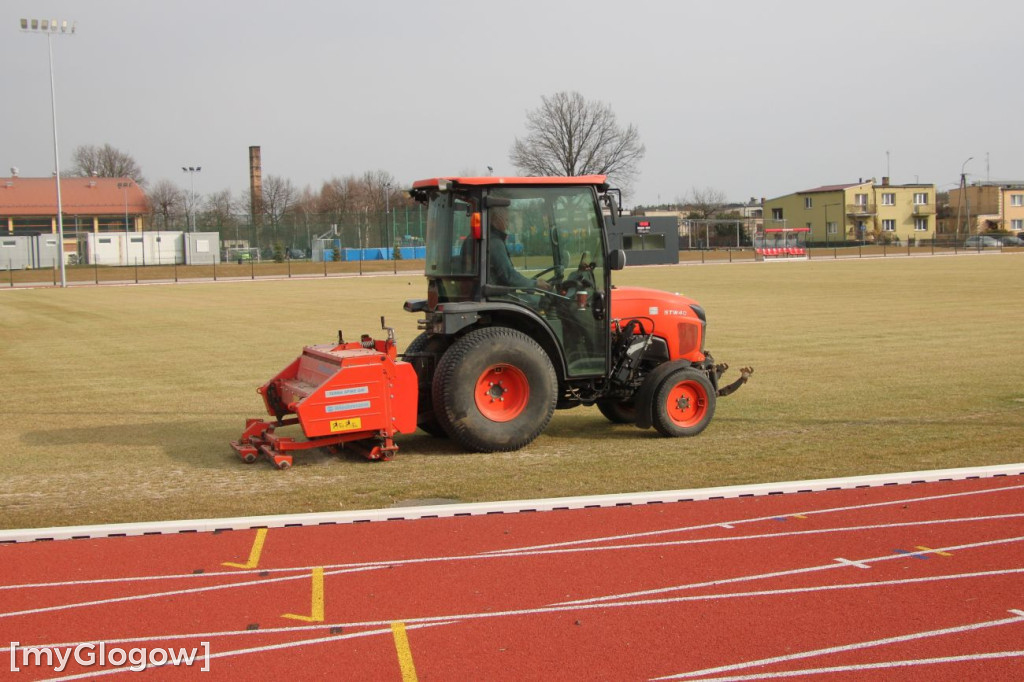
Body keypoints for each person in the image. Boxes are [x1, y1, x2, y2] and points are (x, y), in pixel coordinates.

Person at [488, 208, 552, 291]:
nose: (508, 224)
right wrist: (535, 284)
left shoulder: (488, 239)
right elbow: (509, 275)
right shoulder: (494, 242)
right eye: (506, 220)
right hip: (498, 295)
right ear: (497, 218)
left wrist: (531, 282)